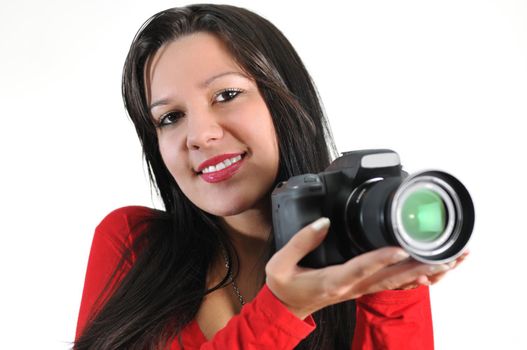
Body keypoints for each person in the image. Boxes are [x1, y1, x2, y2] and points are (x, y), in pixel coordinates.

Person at [74, 4, 467, 349]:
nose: (199, 136)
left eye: (226, 95)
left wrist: (395, 298)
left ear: (285, 101)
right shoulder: (131, 241)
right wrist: (282, 311)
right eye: (170, 117)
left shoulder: (362, 259)